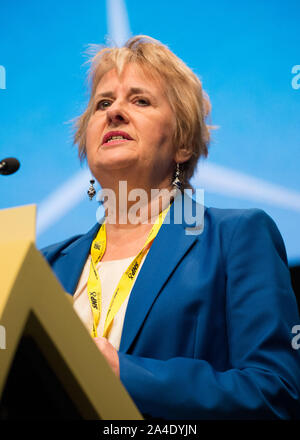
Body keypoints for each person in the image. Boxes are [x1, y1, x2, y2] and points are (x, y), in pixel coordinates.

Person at [41, 35, 300, 419]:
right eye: (103, 103)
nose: (115, 112)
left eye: (140, 100)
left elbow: (274, 394)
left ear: (181, 144)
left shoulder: (237, 238)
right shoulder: (45, 266)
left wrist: (122, 374)